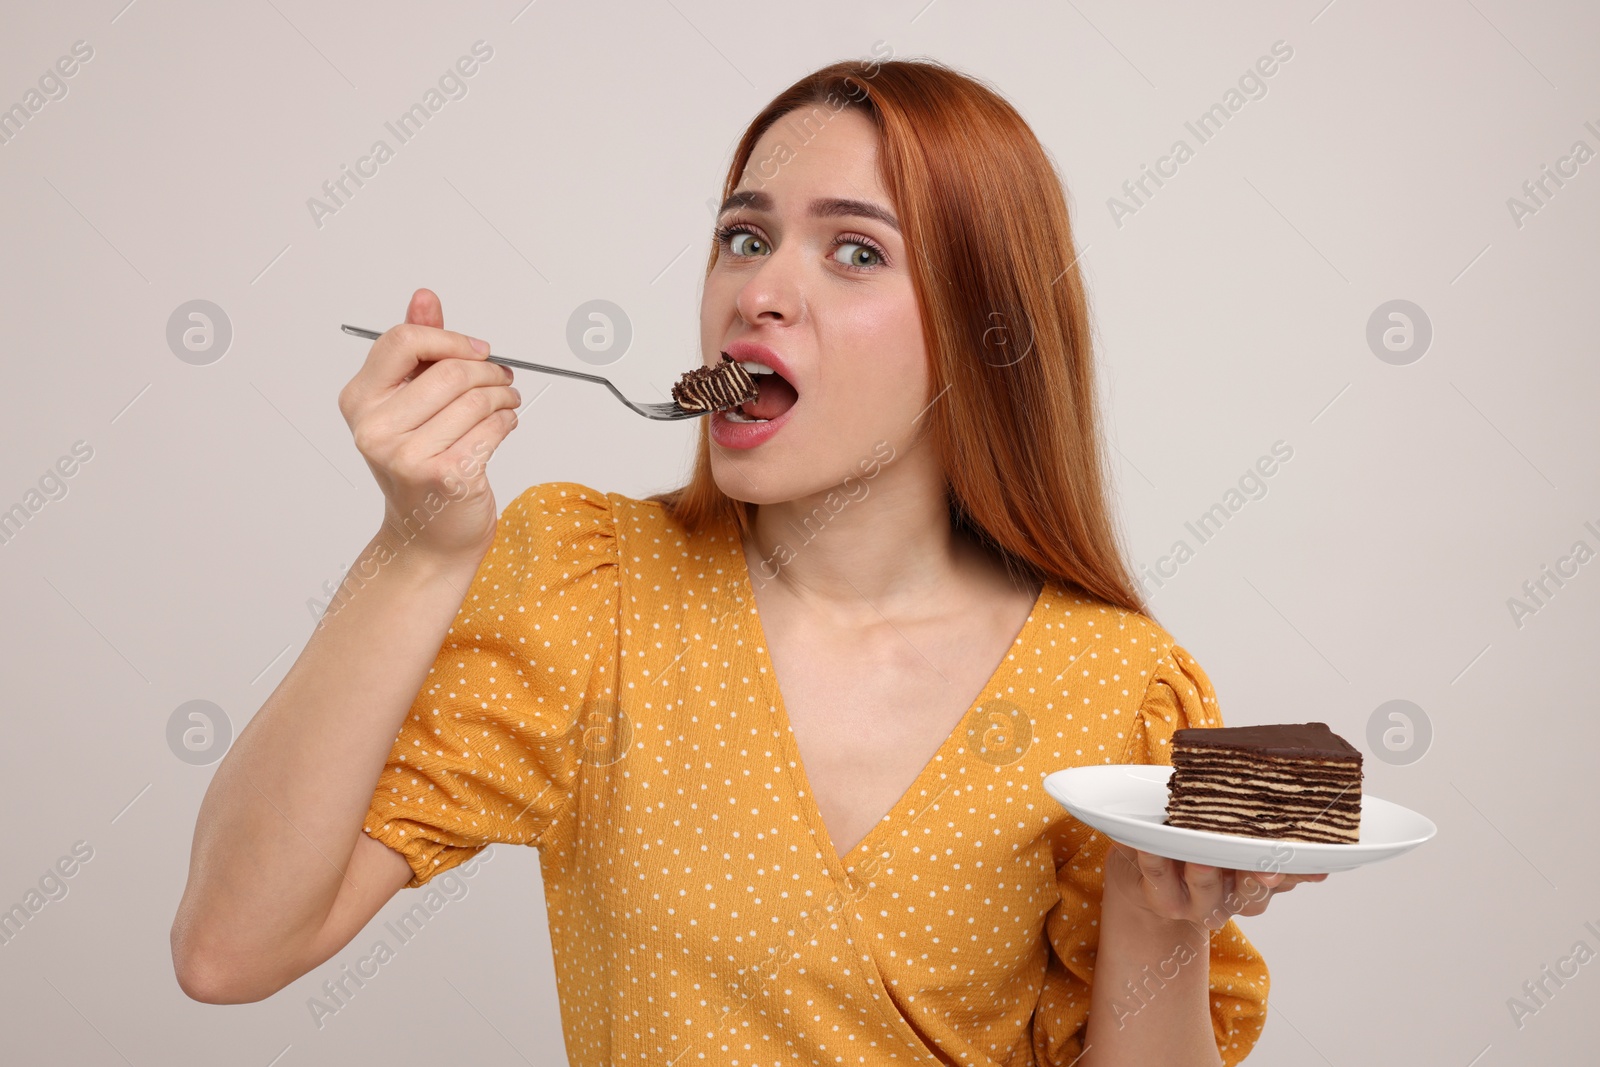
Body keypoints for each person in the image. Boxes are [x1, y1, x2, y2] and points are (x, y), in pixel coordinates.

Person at [171, 57, 1325, 1064]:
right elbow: (230, 947)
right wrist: (414, 551)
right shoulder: (596, 588)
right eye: (744, 235)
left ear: (987, 330)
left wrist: (1166, 909)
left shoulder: (1120, 690)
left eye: (855, 251)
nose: (758, 291)